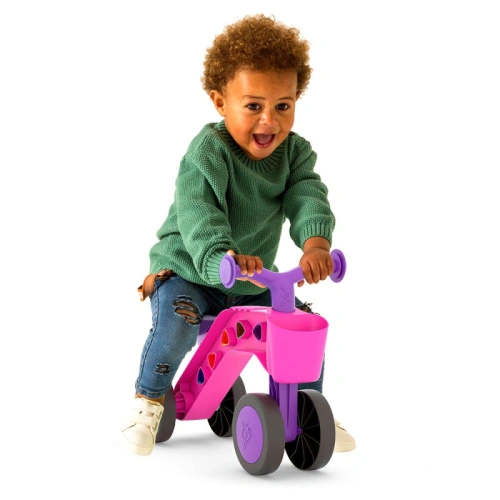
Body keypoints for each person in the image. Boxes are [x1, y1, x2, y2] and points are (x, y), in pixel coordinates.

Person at [121, 13, 356, 456]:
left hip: (251, 280)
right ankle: (148, 400)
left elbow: (307, 195)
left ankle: (310, 407)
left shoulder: (295, 153)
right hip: (191, 270)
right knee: (178, 322)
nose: (269, 121)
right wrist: (221, 256)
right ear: (219, 101)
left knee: (299, 325)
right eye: (253, 106)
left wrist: (316, 244)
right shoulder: (208, 152)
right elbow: (199, 215)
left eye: (283, 106)